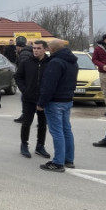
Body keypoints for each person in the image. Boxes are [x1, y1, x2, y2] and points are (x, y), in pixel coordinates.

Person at [36, 39, 78, 172]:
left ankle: (58, 162)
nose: (48, 49)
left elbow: (49, 85)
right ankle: (68, 159)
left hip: (55, 101)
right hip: (67, 99)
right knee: (66, 130)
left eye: (48, 47)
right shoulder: (72, 61)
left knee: (57, 131)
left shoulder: (55, 62)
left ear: (53, 49)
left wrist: (41, 103)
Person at [13, 40, 50, 159]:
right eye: (34, 48)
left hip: (43, 98)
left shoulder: (50, 63)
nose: (36, 50)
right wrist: (24, 89)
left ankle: (40, 146)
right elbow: (18, 76)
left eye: (39, 48)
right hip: (29, 98)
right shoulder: (26, 62)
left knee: (43, 124)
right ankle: (24, 144)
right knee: (26, 122)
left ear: (45, 49)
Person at [13, 35, 33, 123]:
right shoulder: (25, 53)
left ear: (18, 47)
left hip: (26, 81)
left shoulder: (24, 54)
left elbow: (24, 68)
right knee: (26, 99)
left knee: (27, 100)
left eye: (16, 47)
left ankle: (25, 116)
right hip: (28, 80)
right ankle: (24, 115)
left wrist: (20, 78)